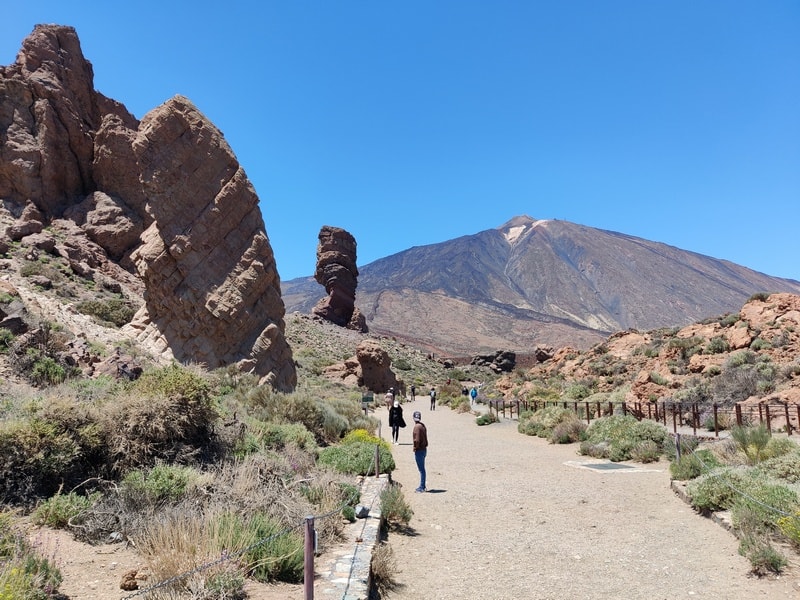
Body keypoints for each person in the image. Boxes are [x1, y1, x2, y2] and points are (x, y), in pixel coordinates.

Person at [412, 411, 428, 492]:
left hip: (419, 450)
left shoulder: (416, 427)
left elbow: (417, 440)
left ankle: (422, 487)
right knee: (422, 469)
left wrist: (415, 447)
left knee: (421, 469)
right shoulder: (422, 425)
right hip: (424, 449)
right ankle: (423, 485)